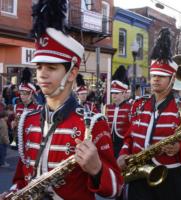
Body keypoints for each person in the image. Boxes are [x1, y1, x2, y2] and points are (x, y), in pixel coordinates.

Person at [0, 0, 122, 199]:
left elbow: (116, 187)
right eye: (39, 67)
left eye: (52, 68)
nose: (42, 75)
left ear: (72, 73)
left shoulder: (92, 124)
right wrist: (14, 193)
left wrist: (97, 169)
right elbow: (22, 179)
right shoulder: (27, 121)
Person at [117, 28, 181, 200]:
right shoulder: (138, 104)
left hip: (174, 179)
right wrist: (122, 154)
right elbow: (129, 137)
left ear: (172, 79)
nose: (155, 79)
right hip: (140, 177)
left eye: (161, 76)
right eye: (153, 75)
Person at [104, 65, 131, 158]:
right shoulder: (107, 107)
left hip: (124, 145)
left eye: (116, 93)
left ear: (123, 93)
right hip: (110, 145)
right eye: (112, 93)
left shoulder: (130, 108)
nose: (114, 96)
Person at [10, 68, 41, 149]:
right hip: (19, 140)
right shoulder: (17, 107)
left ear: (31, 94)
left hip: (33, 141)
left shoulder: (38, 108)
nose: (22, 96)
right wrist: (13, 123)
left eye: (25, 94)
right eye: (21, 93)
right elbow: (13, 120)